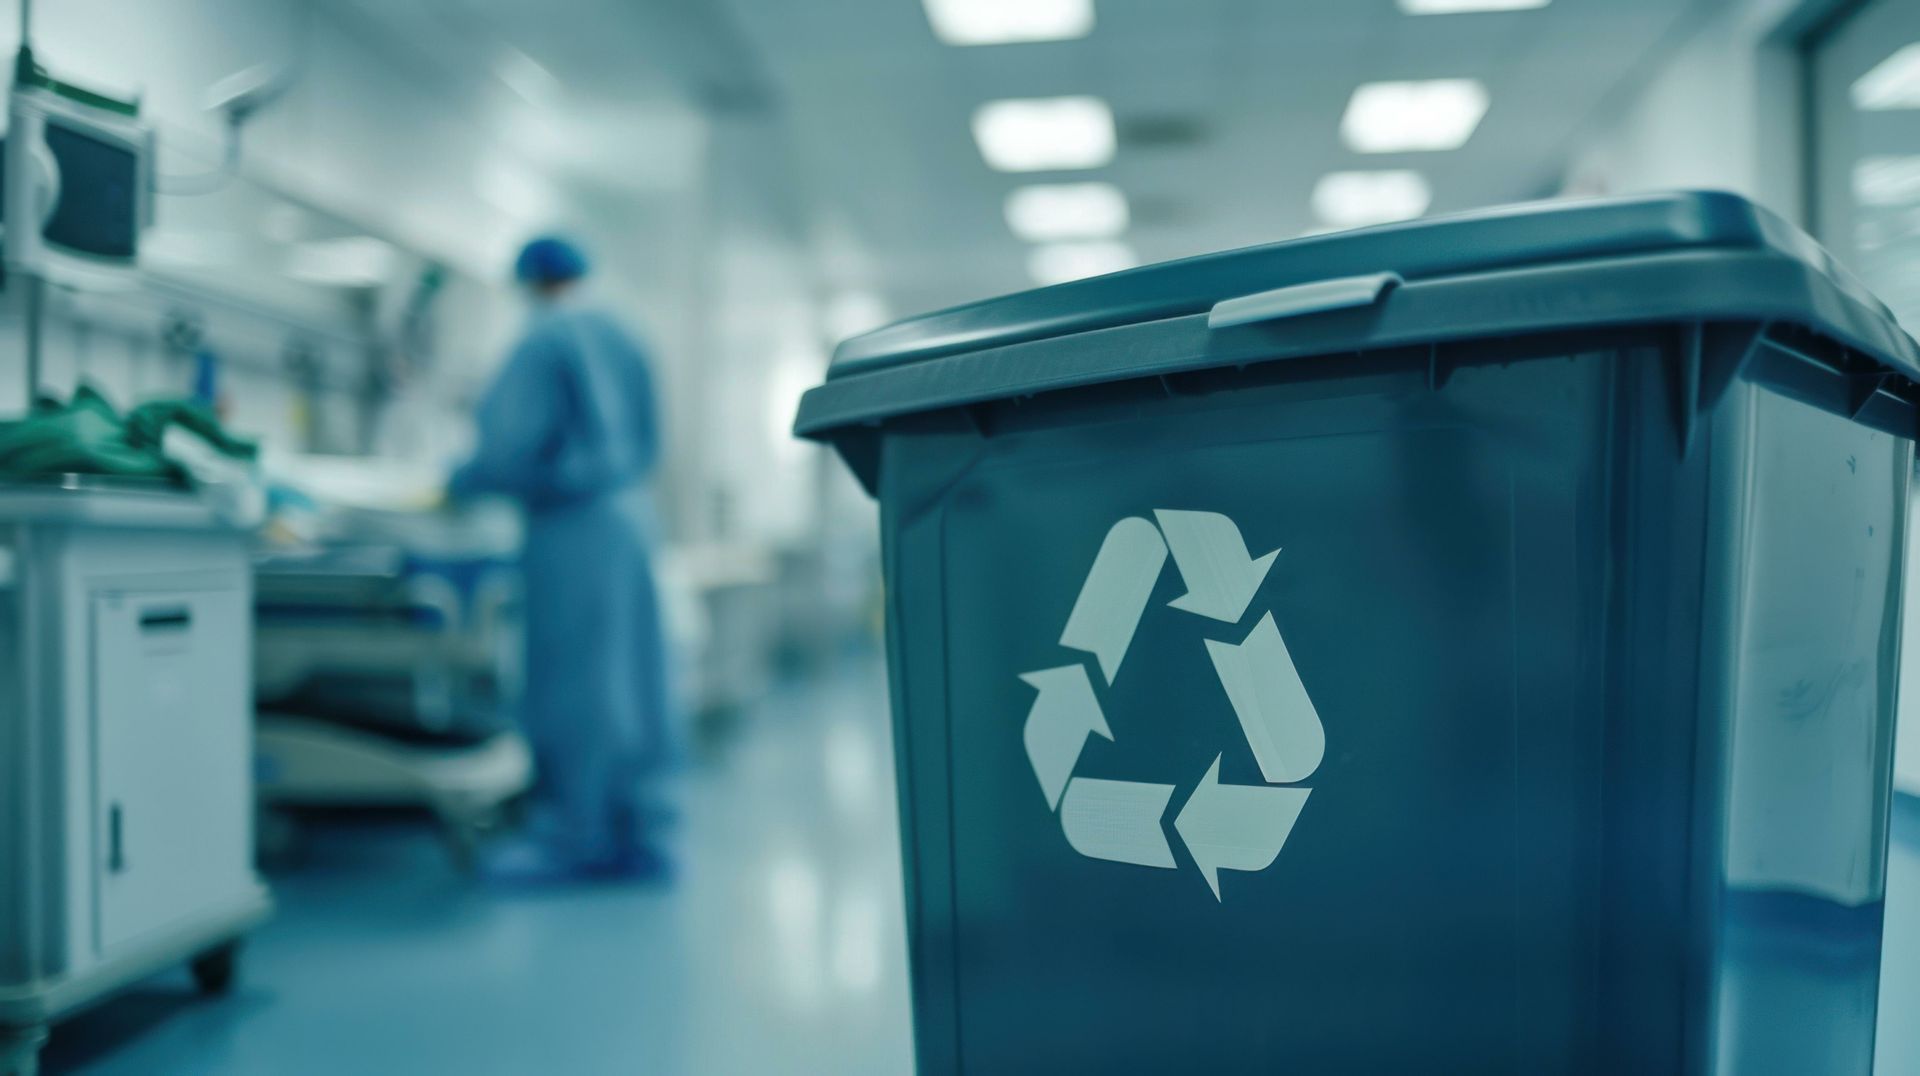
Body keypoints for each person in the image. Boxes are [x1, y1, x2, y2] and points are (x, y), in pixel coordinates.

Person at [449, 236, 672, 884]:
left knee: (576, 682)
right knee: (633, 678)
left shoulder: (542, 341)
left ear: (528, 282)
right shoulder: (626, 335)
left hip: (571, 529)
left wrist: (460, 480)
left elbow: (508, 449)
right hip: (629, 521)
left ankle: (575, 837)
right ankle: (640, 832)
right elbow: (649, 438)